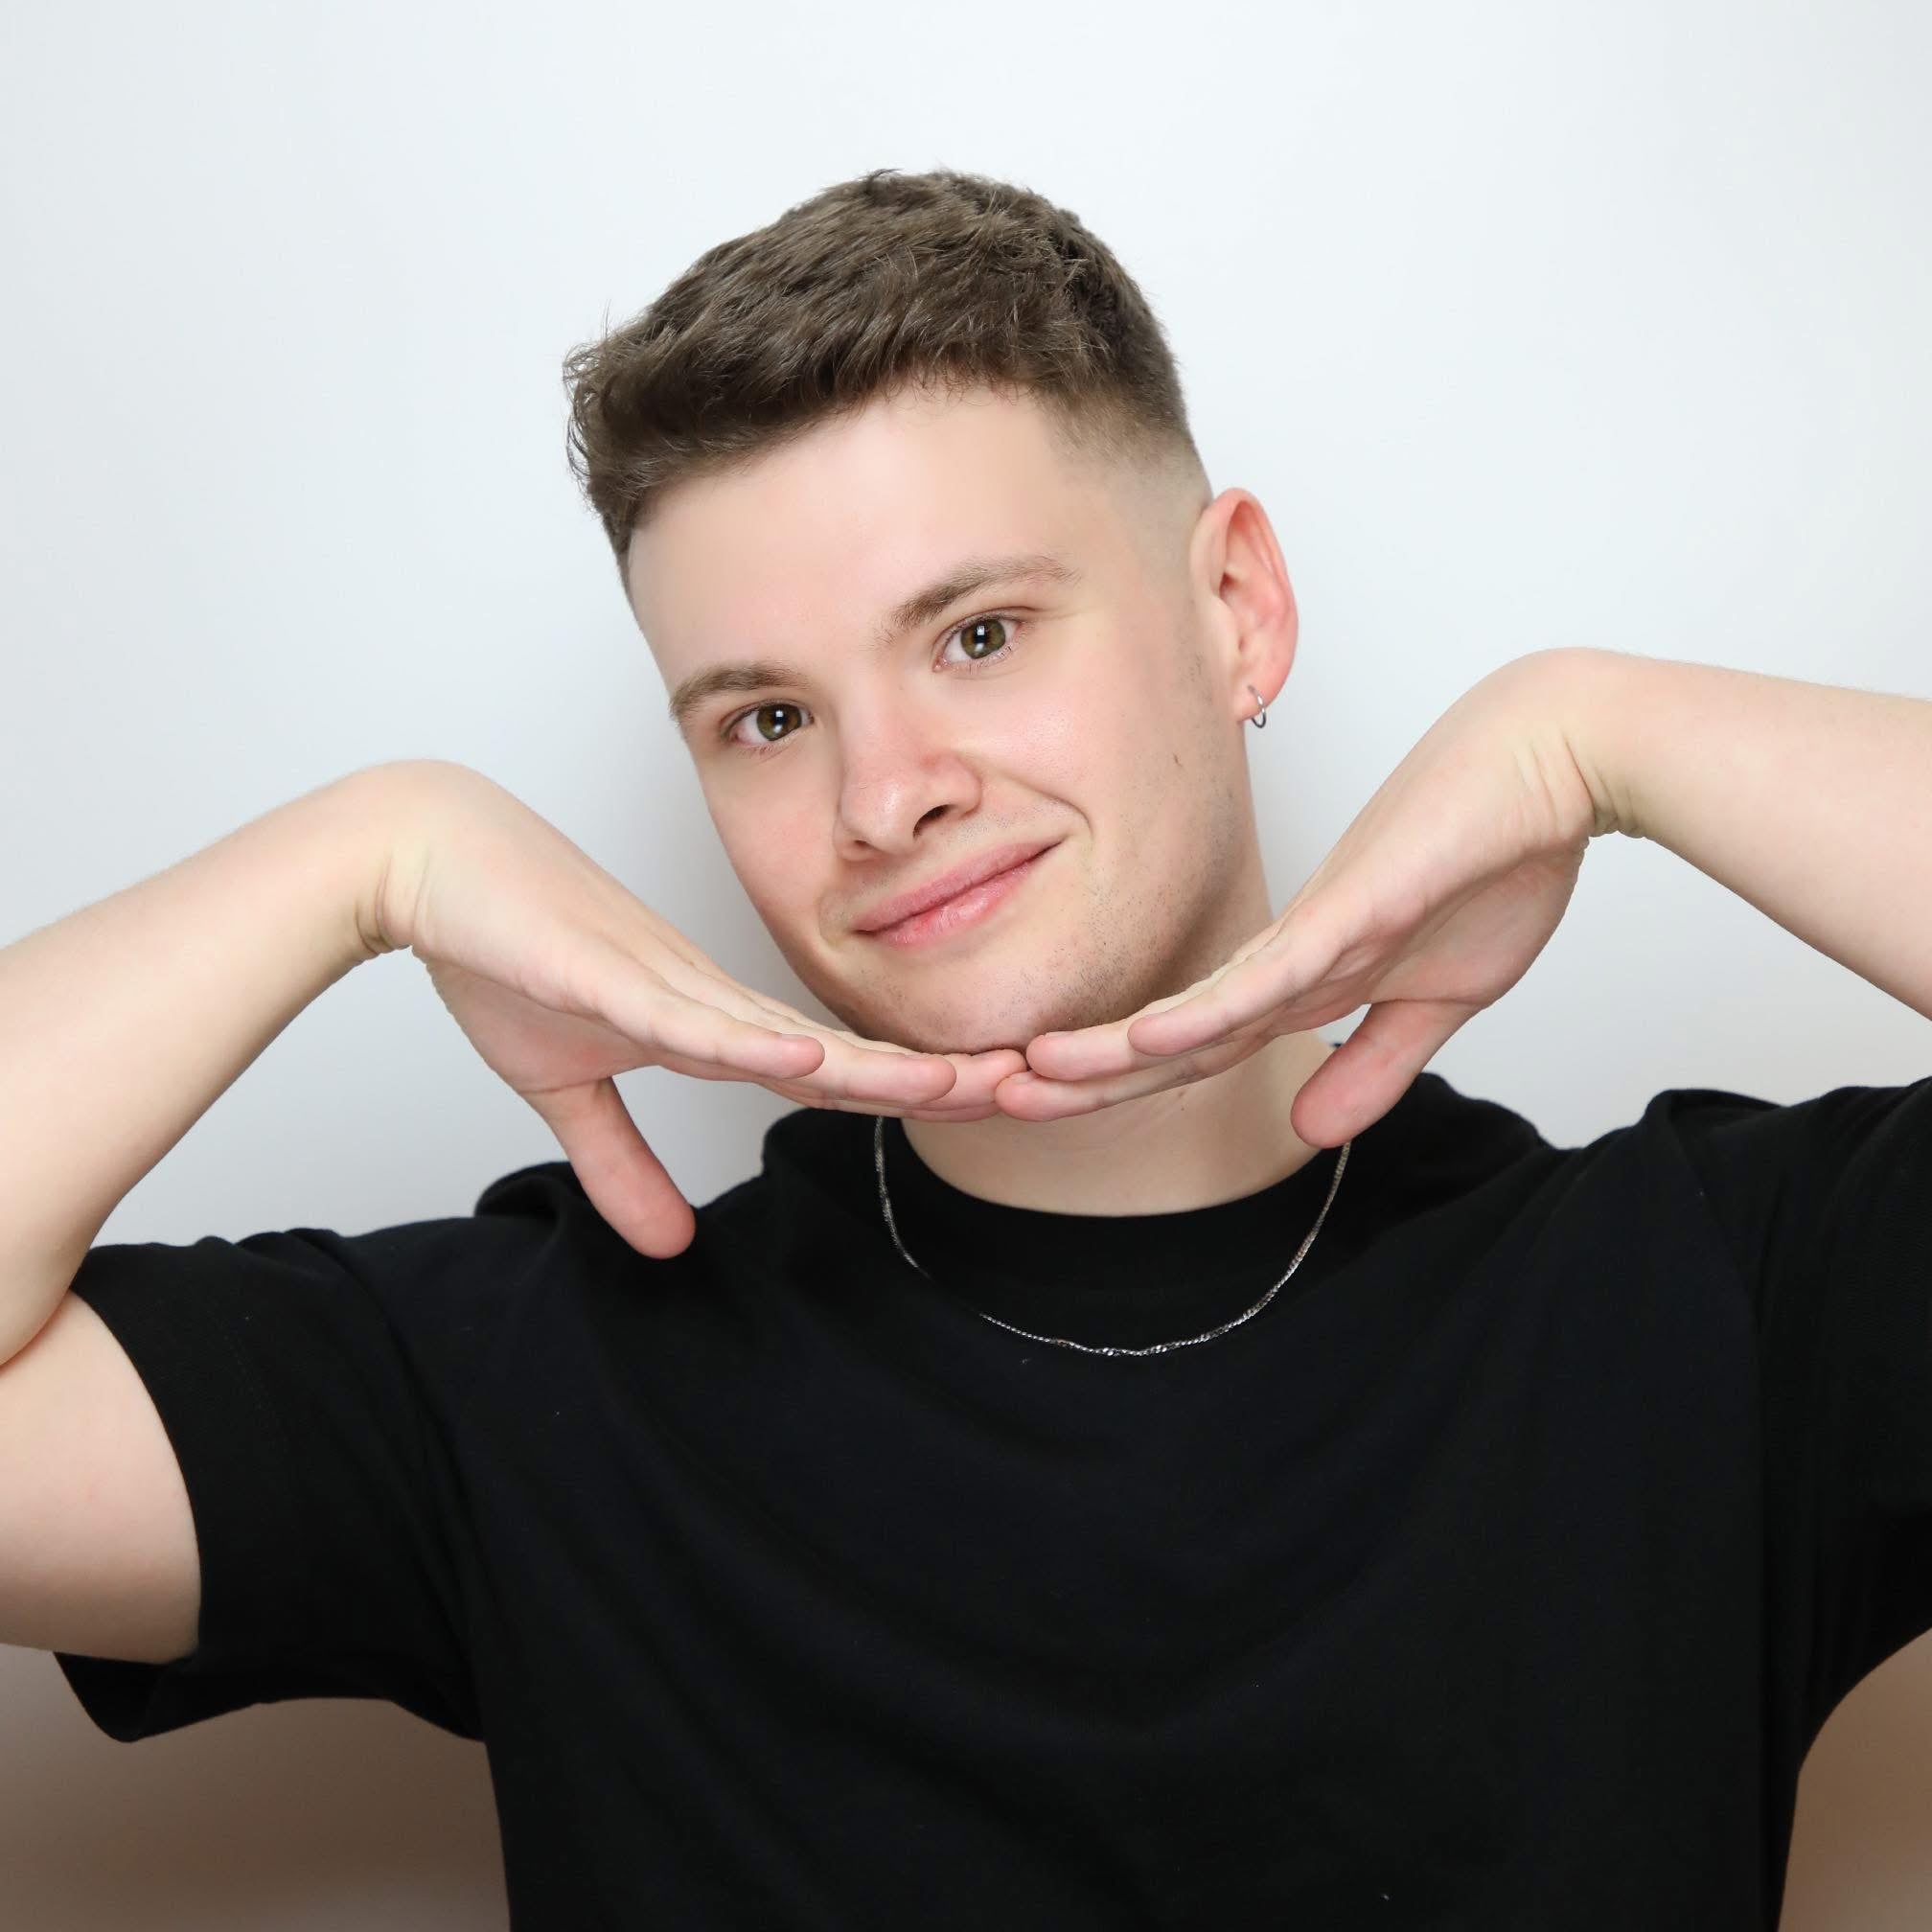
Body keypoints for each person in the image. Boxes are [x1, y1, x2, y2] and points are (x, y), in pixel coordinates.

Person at [3, 166, 1930, 1931]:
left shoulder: (1712, 1301)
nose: (885, 796)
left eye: (981, 635)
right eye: (765, 719)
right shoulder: (544, 1372)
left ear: (1236, 608)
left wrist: (1612, 737)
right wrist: (363, 857)